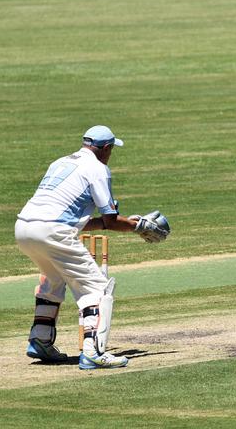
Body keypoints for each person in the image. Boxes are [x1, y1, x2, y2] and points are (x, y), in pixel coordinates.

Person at [15, 125, 170, 369]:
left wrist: (131, 224)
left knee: (53, 279)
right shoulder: (98, 169)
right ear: (106, 148)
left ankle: (40, 340)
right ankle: (94, 352)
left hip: (24, 229)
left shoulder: (60, 162)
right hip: (53, 231)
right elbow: (110, 219)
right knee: (97, 288)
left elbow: (78, 221)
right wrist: (138, 226)